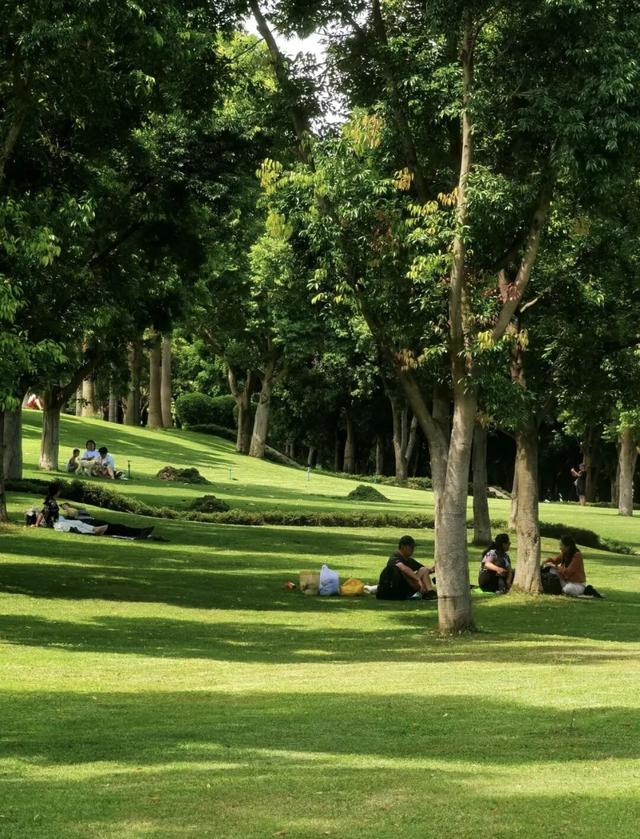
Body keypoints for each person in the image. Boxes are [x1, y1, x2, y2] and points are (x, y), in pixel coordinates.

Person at [33, 481, 154, 540]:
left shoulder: (52, 503)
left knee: (116, 527)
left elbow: (44, 512)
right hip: (88, 522)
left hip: (87, 520)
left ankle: (139, 532)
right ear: (57, 491)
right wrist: (37, 523)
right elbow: (44, 513)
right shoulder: (53, 505)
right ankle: (139, 532)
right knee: (115, 527)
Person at [375, 535, 437, 600]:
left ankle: (429, 592)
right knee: (416, 572)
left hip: (407, 585)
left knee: (423, 570)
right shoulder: (395, 557)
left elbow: (425, 570)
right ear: (403, 547)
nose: (413, 550)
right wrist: (418, 580)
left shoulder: (408, 559)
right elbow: (404, 569)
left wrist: (435, 568)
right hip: (400, 586)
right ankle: (428, 593)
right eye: (411, 547)